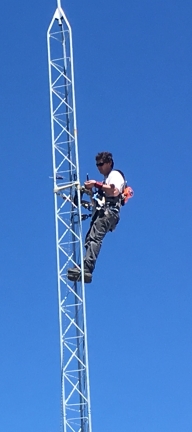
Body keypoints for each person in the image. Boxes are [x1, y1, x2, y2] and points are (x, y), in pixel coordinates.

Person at [67, 151, 125, 283]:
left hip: (109, 212)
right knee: (90, 238)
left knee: (94, 238)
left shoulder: (115, 175)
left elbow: (114, 191)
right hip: (104, 212)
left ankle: (87, 268)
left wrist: (96, 184)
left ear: (109, 163)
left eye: (101, 164)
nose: (99, 167)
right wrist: (90, 192)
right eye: (97, 165)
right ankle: (86, 266)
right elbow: (98, 201)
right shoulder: (106, 180)